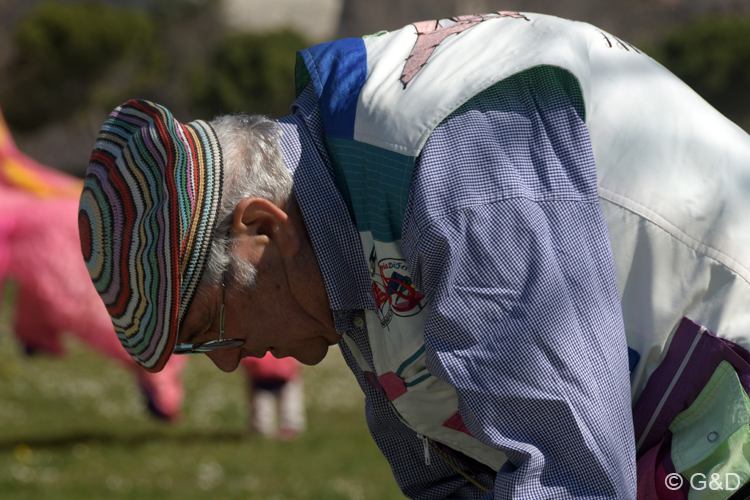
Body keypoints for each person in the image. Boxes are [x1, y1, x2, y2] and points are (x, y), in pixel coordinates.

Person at [78, 12, 750, 499]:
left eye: (206, 331)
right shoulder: (343, 218)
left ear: (262, 229)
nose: (226, 360)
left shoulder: (453, 169)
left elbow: (570, 475)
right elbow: (448, 479)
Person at [241, 353, 306, 440]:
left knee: (289, 404)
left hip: (284, 375)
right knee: (262, 406)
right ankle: (262, 430)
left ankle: (289, 428)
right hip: (261, 377)